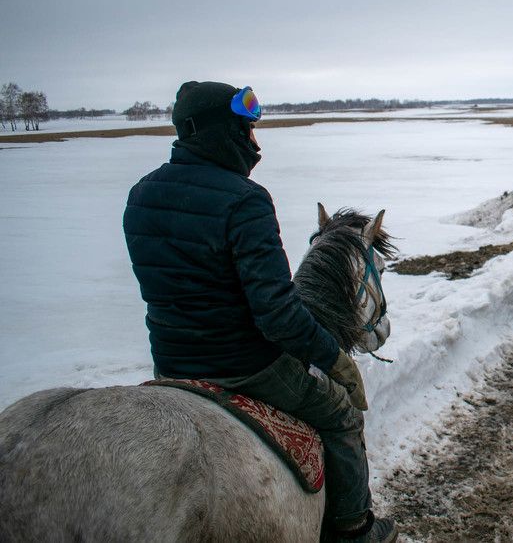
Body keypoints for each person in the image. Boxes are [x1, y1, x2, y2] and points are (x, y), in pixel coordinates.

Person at [123, 80, 397, 543]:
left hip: (171, 362)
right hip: (244, 366)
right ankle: (356, 530)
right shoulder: (245, 200)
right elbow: (275, 312)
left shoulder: (141, 194)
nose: (255, 144)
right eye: (246, 131)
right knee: (341, 416)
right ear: (219, 134)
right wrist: (335, 360)